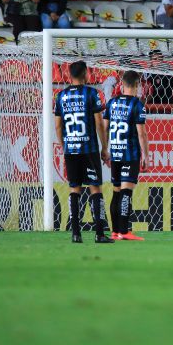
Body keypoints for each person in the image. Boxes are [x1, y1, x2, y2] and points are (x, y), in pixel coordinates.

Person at [54, 61, 114, 244]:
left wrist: (64, 145)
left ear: (69, 75)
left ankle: (75, 234)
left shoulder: (61, 96)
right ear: (86, 74)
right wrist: (104, 147)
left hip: (71, 149)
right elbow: (98, 123)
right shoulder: (91, 93)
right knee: (95, 188)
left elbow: (58, 125)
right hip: (88, 148)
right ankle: (99, 234)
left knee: (75, 189)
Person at [103, 70, 149, 241]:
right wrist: (146, 156)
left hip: (115, 152)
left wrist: (105, 149)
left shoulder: (111, 103)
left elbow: (105, 128)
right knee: (126, 193)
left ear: (122, 85)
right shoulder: (137, 104)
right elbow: (141, 134)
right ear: (137, 85)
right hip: (130, 154)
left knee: (116, 192)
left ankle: (115, 231)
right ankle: (124, 231)